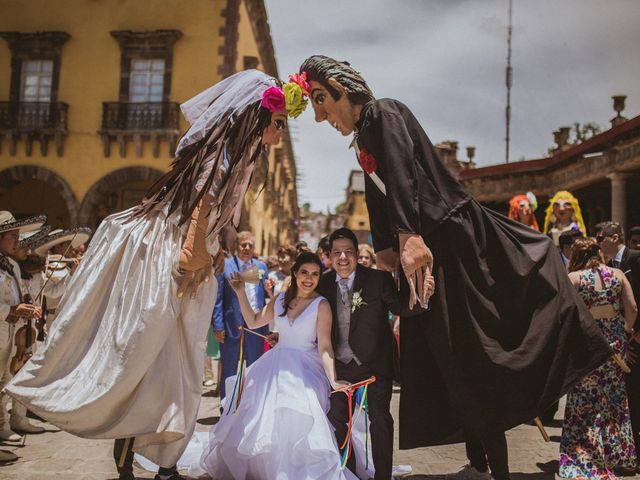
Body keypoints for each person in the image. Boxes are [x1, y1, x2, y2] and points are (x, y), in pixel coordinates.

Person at [299, 55, 612, 480]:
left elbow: (405, 174)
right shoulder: (362, 139)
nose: (319, 115)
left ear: (341, 89)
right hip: (428, 249)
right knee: (449, 359)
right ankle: (480, 462)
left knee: (475, 350)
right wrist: (388, 247)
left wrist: (408, 236)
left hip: (452, 239)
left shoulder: (383, 112)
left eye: (320, 100)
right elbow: (380, 197)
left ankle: (499, 464)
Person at [6, 69, 306, 480]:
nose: (278, 134)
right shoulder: (222, 158)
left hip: (181, 264)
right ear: (257, 117)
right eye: (277, 124)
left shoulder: (233, 156)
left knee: (169, 368)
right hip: (166, 263)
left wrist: (208, 258)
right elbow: (202, 209)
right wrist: (194, 260)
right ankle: (134, 462)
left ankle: (161, 465)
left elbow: (207, 218)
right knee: (142, 359)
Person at [189, 252, 357, 479]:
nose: (309, 279)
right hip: (274, 364)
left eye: (315, 274)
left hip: (304, 367)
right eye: (305, 273)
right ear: (295, 273)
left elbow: (325, 346)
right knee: (263, 420)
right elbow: (253, 321)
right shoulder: (280, 299)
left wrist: (333, 380)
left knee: (295, 418)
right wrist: (240, 292)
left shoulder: (321, 305)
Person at [318, 228, 433, 480]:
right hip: (340, 366)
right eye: (337, 253)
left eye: (349, 251)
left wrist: (423, 297)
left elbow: (401, 307)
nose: (343, 257)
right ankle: (348, 473)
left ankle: (383, 476)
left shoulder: (377, 280)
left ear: (357, 254)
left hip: (374, 364)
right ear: (329, 256)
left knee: (380, 420)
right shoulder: (323, 283)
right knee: (337, 419)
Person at [560, 237, 638, 478]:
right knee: (615, 401)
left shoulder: (574, 279)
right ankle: (619, 455)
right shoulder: (617, 274)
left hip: (587, 345)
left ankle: (585, 454)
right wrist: (624, 331)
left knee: (584, 402)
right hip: (615, 346)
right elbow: (633, 308)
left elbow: (564, 313)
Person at [0, 212, 45, 462]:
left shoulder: (12, 264)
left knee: (4, 385)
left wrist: (24, 304)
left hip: (8, 335)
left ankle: (3, 428)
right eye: (13, 237)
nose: (18, 242)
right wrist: (11, 310)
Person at [596, 221, 640, 463]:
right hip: (626, 341)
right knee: (630, 397)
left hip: (637, 336)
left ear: (614, 238)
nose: (598, 240)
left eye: (600, 236)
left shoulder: (635, 258)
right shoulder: (609, 266)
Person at [213, 231, 269, 401]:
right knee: (229, 368)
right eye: (243, 244)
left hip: (257, 325)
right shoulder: (226, 265)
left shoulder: (261, 267)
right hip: (232, 325)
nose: (246, 248)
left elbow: (266, 295)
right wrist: (218, 325)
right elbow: (218, 297)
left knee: (255, 367)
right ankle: (226, 406)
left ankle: (252, 405)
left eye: (250, 245)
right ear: (236, 246)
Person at [32, 228, 92, 332]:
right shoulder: (49, 268)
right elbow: (52, 293)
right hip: (56, 317)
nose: (72, 249)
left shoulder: (67, 267)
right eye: (68, 245)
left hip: (72, 315)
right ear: (58, 246)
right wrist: (71, 274)